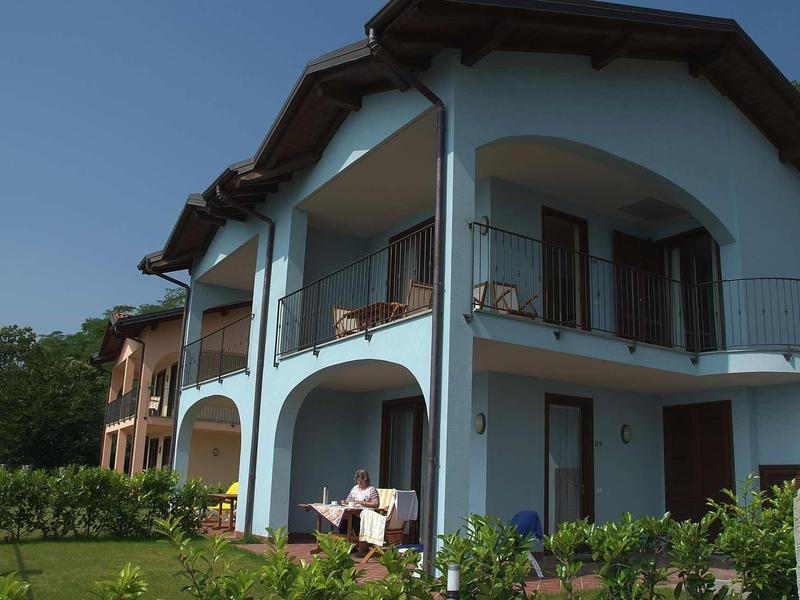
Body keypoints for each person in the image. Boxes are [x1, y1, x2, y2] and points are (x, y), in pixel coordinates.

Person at [340, 468, 379, 556]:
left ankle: (362, 548)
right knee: (343, 523)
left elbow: (376, 504)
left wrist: (362, 502)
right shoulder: (354, 488)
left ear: (366, 480)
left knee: (354, 521)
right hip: (353, 513)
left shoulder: (371, 489)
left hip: (365, 515)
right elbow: (349, 500)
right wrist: (345, 502)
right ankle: (351, 544)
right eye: (358, 481)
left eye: (362, 481)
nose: (360, 483)